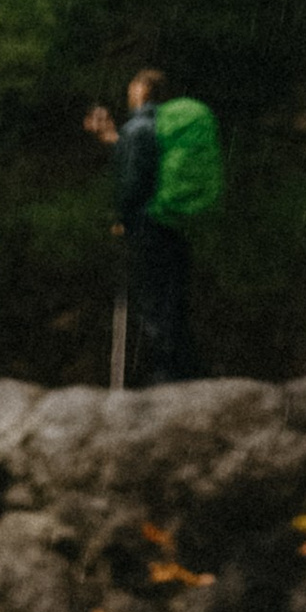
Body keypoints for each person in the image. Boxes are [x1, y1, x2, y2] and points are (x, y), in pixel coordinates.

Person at [83, 66, 199, 385]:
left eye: (133, 86)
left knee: (153, 296)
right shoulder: (167, 128)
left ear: (143, 91)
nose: (129, 91)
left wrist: (121, 218)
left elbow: (133, 179)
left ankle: (165, 372)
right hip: (174, 219)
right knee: (173, 294)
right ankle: (180, 367)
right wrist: (111, 137)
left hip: (146, 224)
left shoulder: (138, 128)